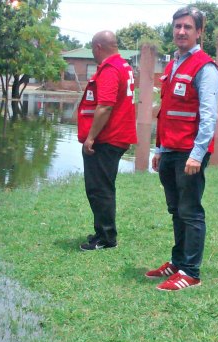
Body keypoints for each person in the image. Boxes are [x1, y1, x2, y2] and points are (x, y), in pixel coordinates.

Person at [145, 7, 218, 290]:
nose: (181, 31)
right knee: (176, 209)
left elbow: (209, 116)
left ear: (199, 32)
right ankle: (177, 263)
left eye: (188, 27)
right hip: (170, 150)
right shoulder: (172, 65)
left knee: (190, 211)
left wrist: (197, 155)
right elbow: (167, 111)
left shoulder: (206, 67)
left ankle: (191, 271)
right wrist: (159, 149)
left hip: (190, 153)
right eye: (177, 26)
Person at [77, 31, 137, 251]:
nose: (93, 53)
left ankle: (106, 238)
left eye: (92, 49)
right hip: (117, 135)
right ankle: (102, 232)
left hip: (108, 138)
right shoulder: (124, 65)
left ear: (98, 47)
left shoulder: (110, 69)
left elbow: (105, 105)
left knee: (99, 188)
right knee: (103, 186)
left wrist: (90, 137)